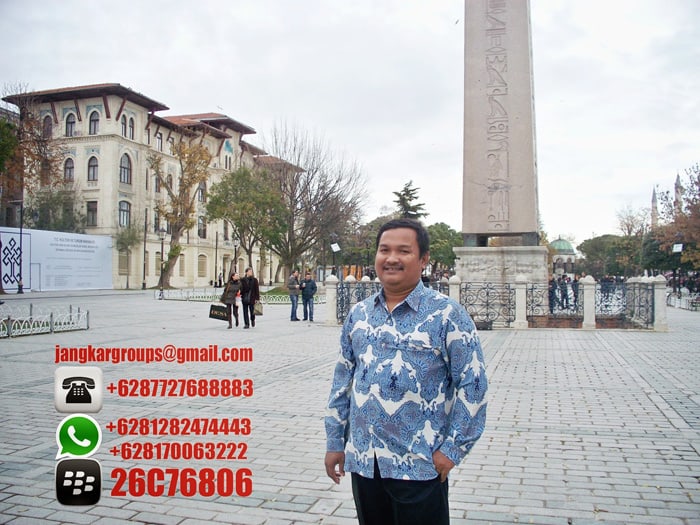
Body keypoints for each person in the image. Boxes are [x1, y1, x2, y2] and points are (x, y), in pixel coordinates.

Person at [324, 218, 488, 525]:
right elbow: (342, 381)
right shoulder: (358, 315)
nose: (392, 258)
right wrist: (335, 442)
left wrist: (452, 449)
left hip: (420, 463)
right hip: (365, 462)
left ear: (423, 260)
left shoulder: (447, 315)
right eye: (384, 250)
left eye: (404, 251)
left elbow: (473, 384)